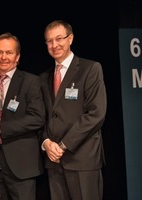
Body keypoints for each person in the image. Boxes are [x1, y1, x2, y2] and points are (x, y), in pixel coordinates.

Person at [39, 19, 107, 200]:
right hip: (53, 162)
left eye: (59, 38)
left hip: (83, 159)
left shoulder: (90, 69)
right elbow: (41, 117)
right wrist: (46, 142)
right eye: (49, 41)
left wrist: (63, 145)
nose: (55, 45)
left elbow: (96, 114)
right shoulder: (43, 78)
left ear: (71, 39)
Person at [0, 32, 45, 200]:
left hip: (21, 164)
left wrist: (0, 127)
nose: (3, 57)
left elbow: (37, 118)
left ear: (18, 57)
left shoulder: (31, 81)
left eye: (9, 52)